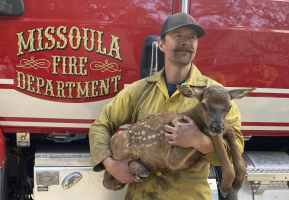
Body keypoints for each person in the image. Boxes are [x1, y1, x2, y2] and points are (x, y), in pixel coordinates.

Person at [89, 12, 244, 200]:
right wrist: (111, 164)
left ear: (196, 46)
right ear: (161, 44)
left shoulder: (216, 95)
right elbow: (101, 125)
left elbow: (235, 147)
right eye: (178, 35)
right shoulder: (139, 90)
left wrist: (199, 141)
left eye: (192, 37)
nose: (185, 42)